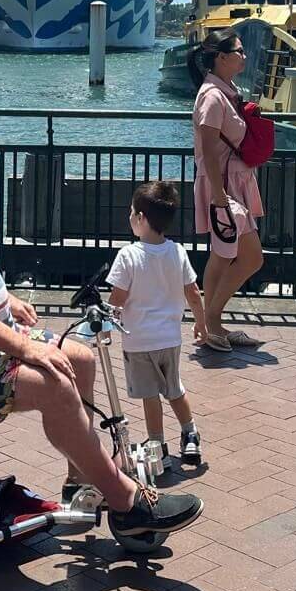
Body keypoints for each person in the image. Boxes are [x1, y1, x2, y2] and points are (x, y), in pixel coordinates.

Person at [0, 99, 203, 536]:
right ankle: (127, 502)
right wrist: (24, 347)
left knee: (80, 358)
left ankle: (81, 483)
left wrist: (4, 299)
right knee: (55, 385)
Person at [107, 180, 204, 467]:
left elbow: (117, 299)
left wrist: (108, 324)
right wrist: (200, 323)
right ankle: (190, 434)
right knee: (174, 388)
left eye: (131, 213)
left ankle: (157, 444)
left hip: (139, 340)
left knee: (150, 395)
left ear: (140, 218)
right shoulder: (177, 252)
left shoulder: (128, 255)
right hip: (170, 338)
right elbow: (193, 292)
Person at [189, 30, 266, 352]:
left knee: (227, 254)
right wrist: (220, 196)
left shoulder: (226, 92)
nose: (244, 56)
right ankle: (209, 321)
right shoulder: (212, 96)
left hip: (231, 183)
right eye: (239, 51)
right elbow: (207, 150)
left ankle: (212, 323)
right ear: (221, 57)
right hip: (223, 185)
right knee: (242, 256)